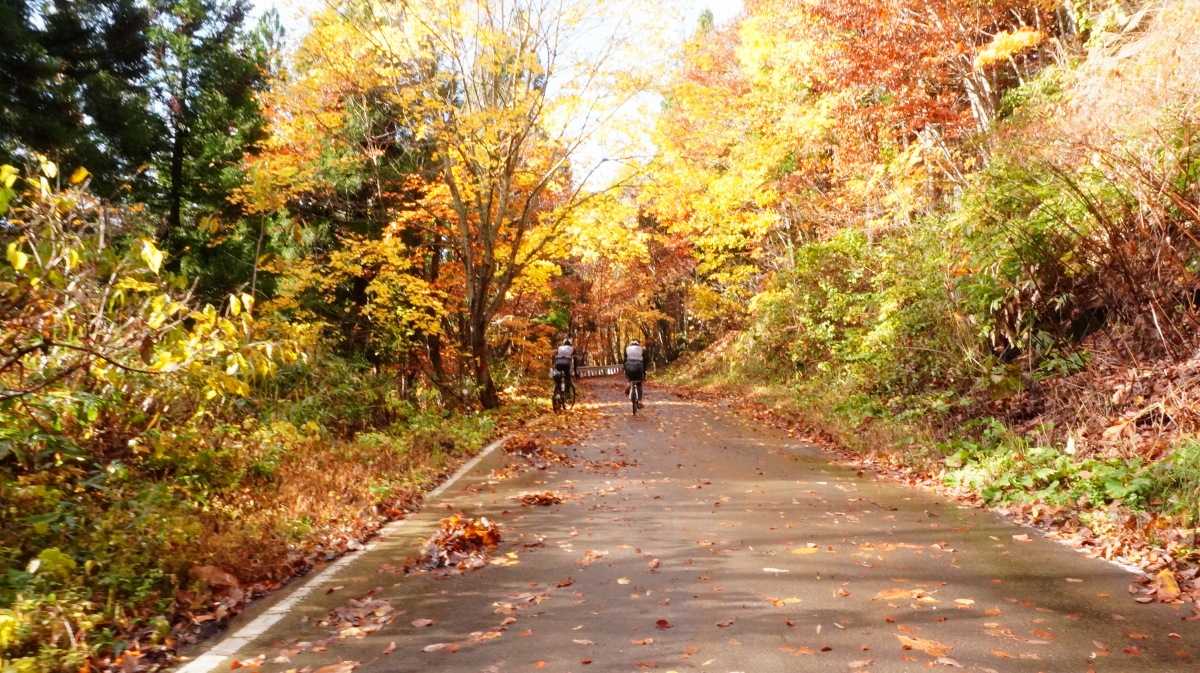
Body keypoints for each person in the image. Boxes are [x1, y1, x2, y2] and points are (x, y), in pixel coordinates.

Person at [623, 338, 645, 408]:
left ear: (631, 343)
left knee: (629, 378)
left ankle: (629, 383)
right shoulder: (641, 349)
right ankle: (639, 401)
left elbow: (624, 360)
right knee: (639, 384)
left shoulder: (627, 349)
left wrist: (625, 370)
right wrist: (644, 372)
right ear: (638, 343)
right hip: (638, 366)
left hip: (628, 366)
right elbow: (645, 361)